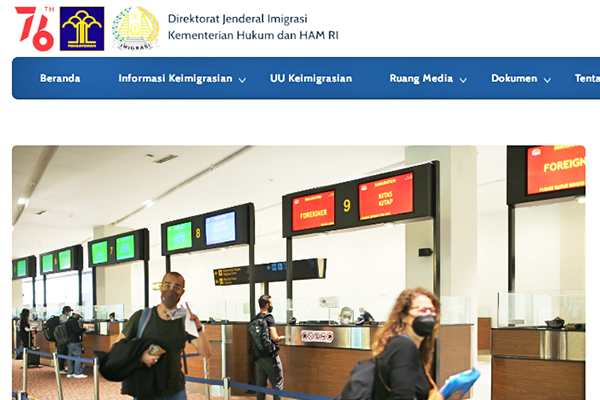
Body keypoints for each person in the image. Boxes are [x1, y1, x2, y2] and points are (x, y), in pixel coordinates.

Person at [116, 271, 212, 399]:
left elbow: (206, 353)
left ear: (182, 292)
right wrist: (140, 357)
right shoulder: (142, 317)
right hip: (145, 389)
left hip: (175, 391)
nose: (171, 290)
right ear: (161, 288)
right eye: (167, 286)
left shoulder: (184, 320)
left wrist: (198, 328)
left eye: (176, 287)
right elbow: (118, 347)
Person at [372, 287, 461, 400]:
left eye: (432, 310)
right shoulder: (403, 346)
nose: (429, 315)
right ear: (403, 316)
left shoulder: (411, 347)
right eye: (422, 310)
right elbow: (402, 396)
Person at [252, 294, 285, 400]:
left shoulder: (255, 318)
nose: (271, 306)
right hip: (270, 356)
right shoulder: (269, 318)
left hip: (258, 356)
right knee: (278, 382)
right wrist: (280, 338)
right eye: (271, 303)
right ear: (267, 305)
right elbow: (274, 337)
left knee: (261, 384)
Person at [66, 309, 87, 378]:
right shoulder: (73, 322)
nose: (79, 318)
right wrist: (84, 329)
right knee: (78, 356)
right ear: (75, 315)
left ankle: (70, 372)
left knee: (71, 357)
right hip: (74, 341)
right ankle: (78, 372)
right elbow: (77, 331)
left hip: (69, 341)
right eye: (78, 316)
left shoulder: (68, 321)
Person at [57, 306, 72, 374]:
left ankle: (60, 367)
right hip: (62, 338)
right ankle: (60, 368)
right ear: (66, 311)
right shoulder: (63, 317)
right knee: (62, 352)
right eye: (69, 311)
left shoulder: (62, 317)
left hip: (60, 338)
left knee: (61, 352)